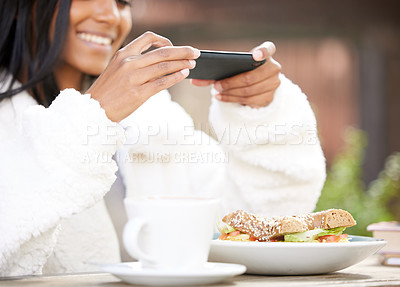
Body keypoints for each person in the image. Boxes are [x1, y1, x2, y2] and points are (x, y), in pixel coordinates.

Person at [0, 0, 326, 277]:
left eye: (122, 1)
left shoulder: (151, 117)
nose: (111, 15)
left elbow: (248, 222)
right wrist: (93, 114)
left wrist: (262, 113)